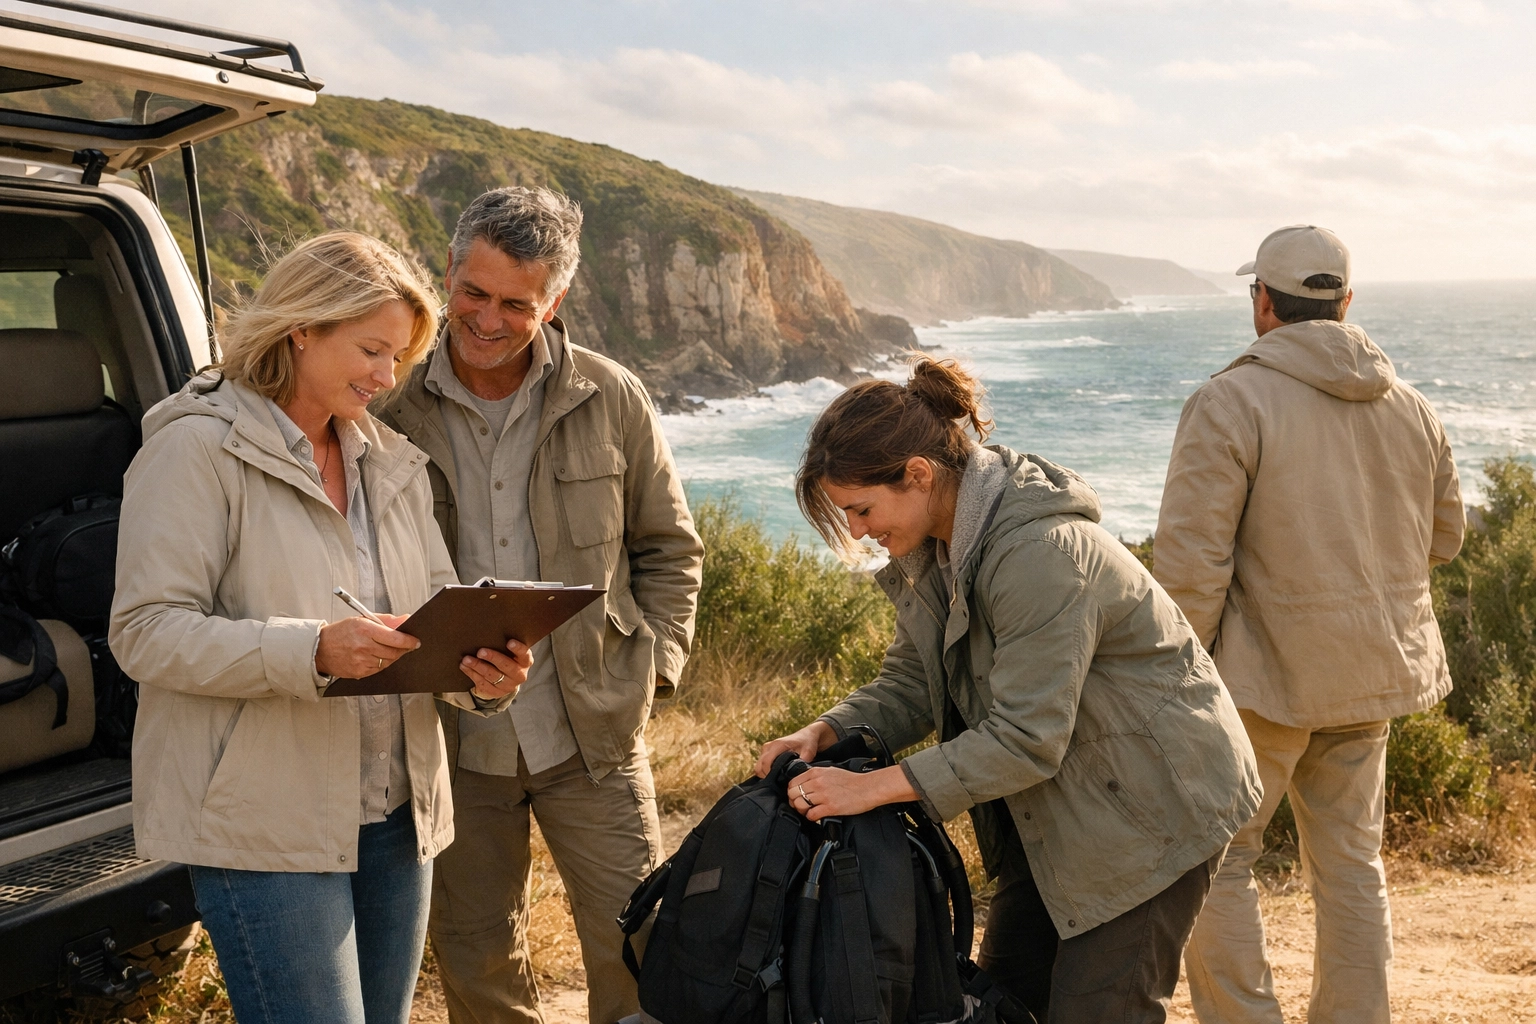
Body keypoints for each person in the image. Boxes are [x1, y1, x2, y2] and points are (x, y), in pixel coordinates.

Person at [755, 358, 1262, 1024]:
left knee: (1097, 1011)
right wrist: (826, 730)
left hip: (1150, 811)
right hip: (1057, 814)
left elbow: (1026, 739)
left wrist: (869, 787)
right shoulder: (934, 549)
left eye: (861, 509)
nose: (855, 531)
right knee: (1000, 1006)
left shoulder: (1040, 554)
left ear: (918, 474)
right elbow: (912, 680)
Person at [109, 231, 528, 1024]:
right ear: (303, 326)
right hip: (263, 818)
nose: (385, 377)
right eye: (371, 350)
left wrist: (484, 678)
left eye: (398, 359)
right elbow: (146, 631)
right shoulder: (197, 448)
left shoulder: (391, 461)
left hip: (398, 817)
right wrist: (312, 649)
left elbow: (435, 613)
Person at [373, 186, 704, 1024]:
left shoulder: (614, 395)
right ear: (446, 271)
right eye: (472, 292)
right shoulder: (386, 404)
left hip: (593, 736)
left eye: (515, 304)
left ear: (554, 301)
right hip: (449, 743)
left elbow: (669, 549)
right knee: (477, 963)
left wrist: (651, 673)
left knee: (643, 949)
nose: (485, 319)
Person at [1154, 225, 1464, 1024]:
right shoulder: (1413, 406)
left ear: (1261, 303)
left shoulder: (1229, 400)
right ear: (1346, 303)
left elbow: (1191, 568)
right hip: (1371, 673)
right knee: (1352, 863)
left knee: (1215, 862)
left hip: (1258, 684)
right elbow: (1447, 539)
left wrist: (1165, 685)